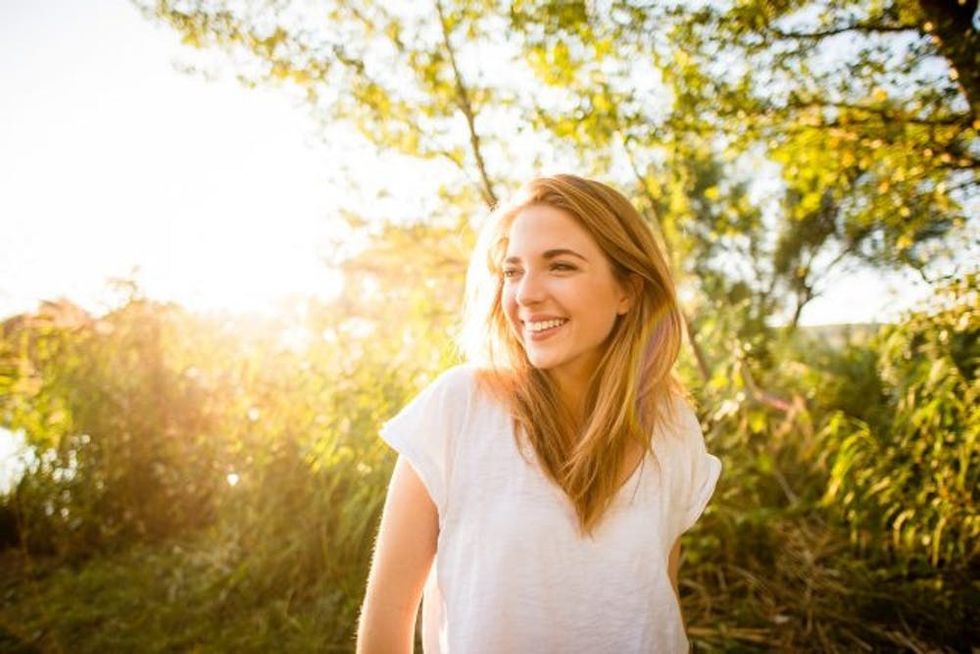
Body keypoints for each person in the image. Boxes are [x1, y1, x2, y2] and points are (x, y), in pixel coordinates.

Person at [356, 174, 722, 653]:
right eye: (512, 271)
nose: (525, 294)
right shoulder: (459, 409)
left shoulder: (674, 428)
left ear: (627, 292)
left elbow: (656, 603)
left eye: (560, 267)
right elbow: (388, 619)